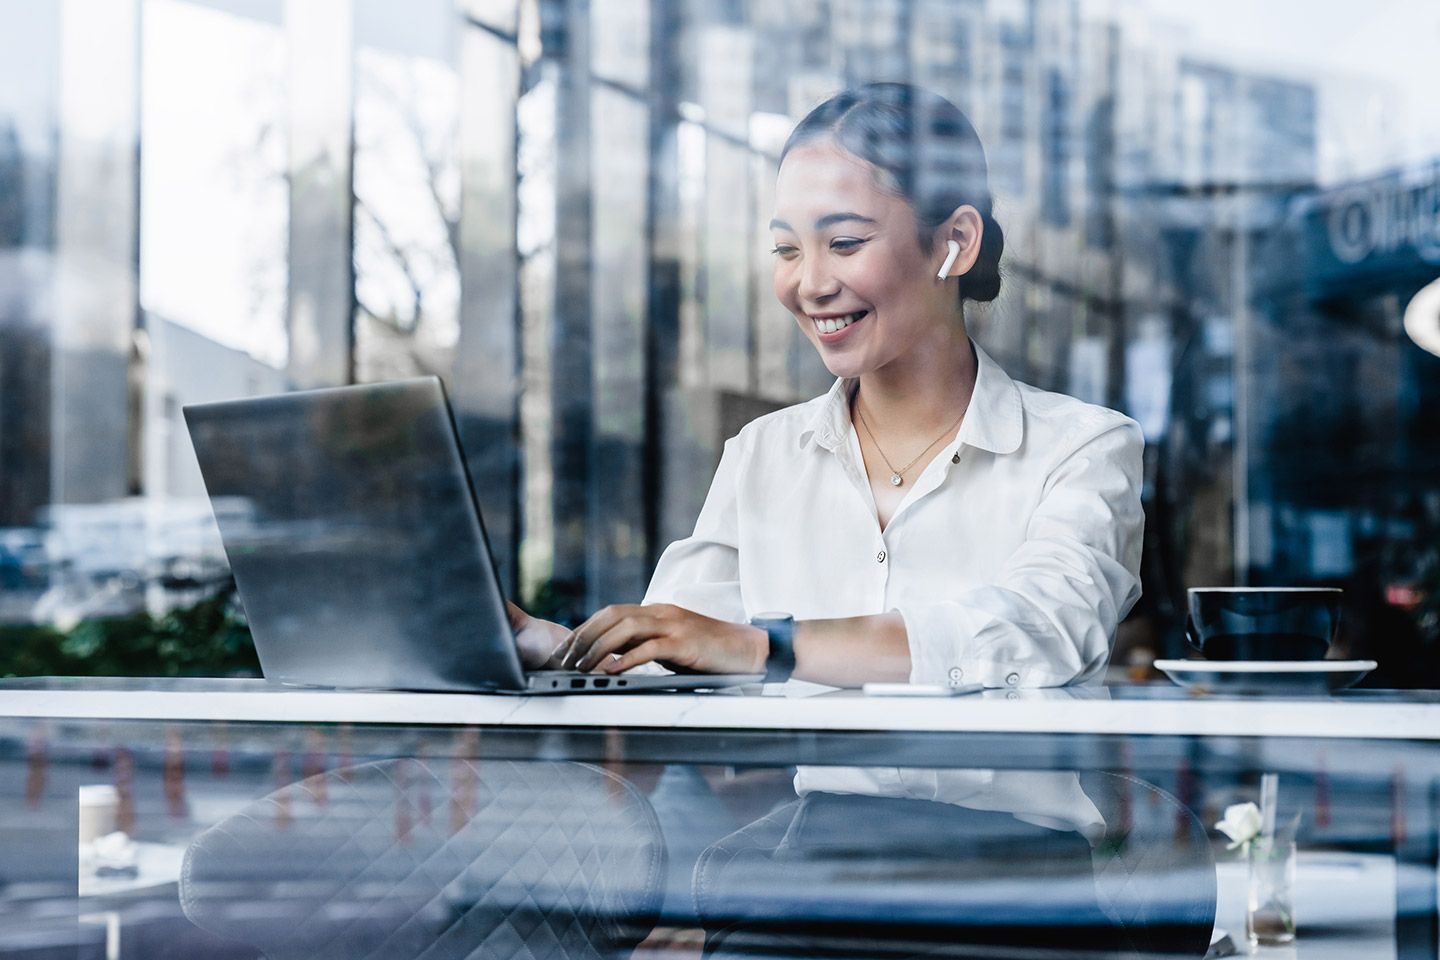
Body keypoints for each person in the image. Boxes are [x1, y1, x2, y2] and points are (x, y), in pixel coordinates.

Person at [508, 81, 1145, 695]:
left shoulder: (1081, 449)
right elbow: (675, 654)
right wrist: (555, 648)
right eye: (787, 250)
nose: (810, 284)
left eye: (844, 242)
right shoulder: (761, 455)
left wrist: (767, 647)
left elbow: (1041, 630)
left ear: (954, 242)